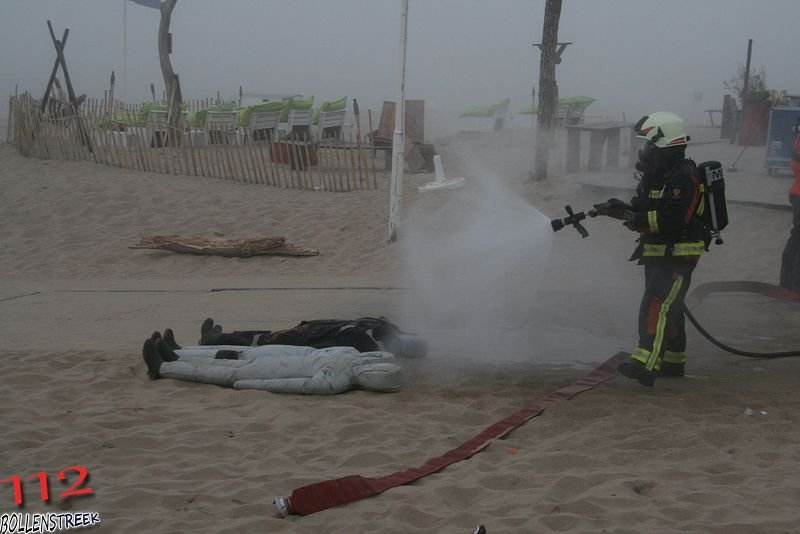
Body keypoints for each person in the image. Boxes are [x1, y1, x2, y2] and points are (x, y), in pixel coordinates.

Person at [593, 111, 706, 387]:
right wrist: (619, 210)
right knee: (671, 306)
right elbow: (643, 209)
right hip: (660, 252)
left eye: (649, 145)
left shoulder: (684, 177)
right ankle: (672, 361)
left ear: (665, 146)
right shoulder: (657, 176)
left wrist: (637, 220)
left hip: (679, 253)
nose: (644, 151)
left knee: (656, 302)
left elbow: (673, 218)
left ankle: (646, 362)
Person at [142, 331, 402, 395]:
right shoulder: (354, 355)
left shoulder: (335, 381)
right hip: (294, 355)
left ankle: (165, 367)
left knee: (231, 370)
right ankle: (182, 352)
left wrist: (248, 384)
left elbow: (296, 385)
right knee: (241, 352)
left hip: (286, 367)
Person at [197, 316, 428, 359]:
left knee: (267, 341)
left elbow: (336, 347)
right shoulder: (383, 328)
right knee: (269, 335)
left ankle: (217, 341)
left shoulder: (372, 344)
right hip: (315, 329)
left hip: (312, 338)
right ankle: (223, 336)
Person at [779, 118, 800, 291]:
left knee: (796, 239)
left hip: (796, 192)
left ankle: (786, 284)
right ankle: (796, 287)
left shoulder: (798, 138)